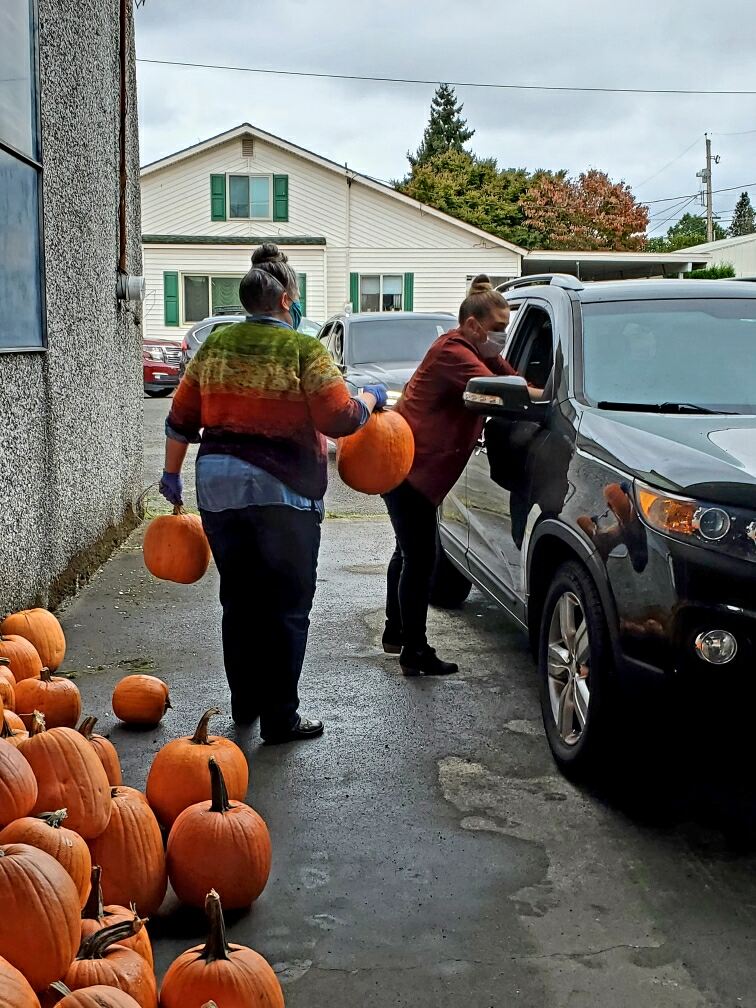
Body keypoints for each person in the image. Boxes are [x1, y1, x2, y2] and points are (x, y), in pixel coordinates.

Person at [159, 243, 387, 743]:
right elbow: (339, 417)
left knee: (239, 601)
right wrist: (371, 397)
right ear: (286, 300)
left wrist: (171, 477)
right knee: (286, 605)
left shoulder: (213, 348)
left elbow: (180, 419)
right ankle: (280, 717)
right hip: (285, 495)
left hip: (219, 491)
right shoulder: (304, 349)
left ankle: (245, 705)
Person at [383, 275, 528, 676]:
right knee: (420, 559)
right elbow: (506, 389)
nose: (502, 336)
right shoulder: (453, 351)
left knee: (407, 553)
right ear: (473, 325)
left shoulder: (475, 348)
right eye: (498, 329)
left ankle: (395, 633)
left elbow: (511, 376)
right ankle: (414, 650)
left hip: (411, 467)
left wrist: (524, 384)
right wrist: (544, 397)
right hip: (409, 470)